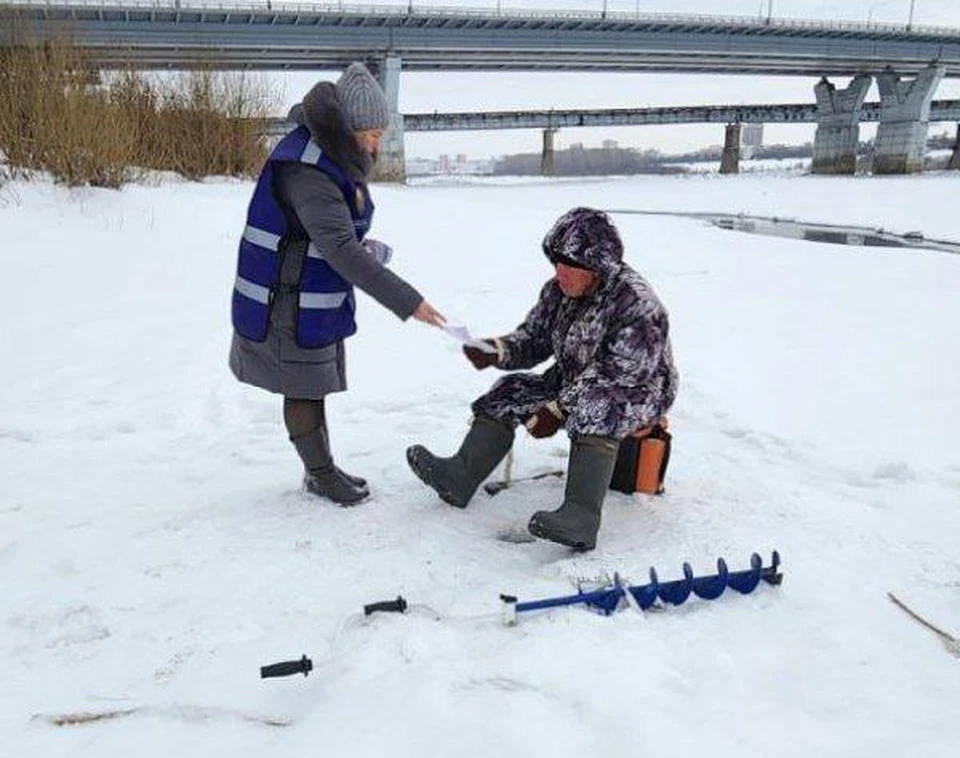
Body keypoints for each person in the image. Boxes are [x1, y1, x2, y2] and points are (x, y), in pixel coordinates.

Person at [229, 62, 445, 506]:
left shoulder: (330, 156)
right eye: (371, 133)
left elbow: (331, 235)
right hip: (284, 300)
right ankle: (321, 475)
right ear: (346, 128)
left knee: (312, 382)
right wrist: (410, 302)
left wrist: (364, 248)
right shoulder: (309, 170)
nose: (376, 142)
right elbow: (340, 249)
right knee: (302, 384)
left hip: (309, 293)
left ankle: (321, 468)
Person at [406, 207, 678, 550]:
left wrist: (558, 409)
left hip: (638, 389)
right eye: (556, 263)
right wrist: (498, 350)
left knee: (594, 408)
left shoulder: (638, 305)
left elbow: (617, 376)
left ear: (597, 267)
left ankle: (580, 517)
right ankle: (460, 476)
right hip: (575, 377)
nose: (559, 273)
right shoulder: (559, 290)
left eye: (570, 266)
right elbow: (535, 338)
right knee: (509, 391)